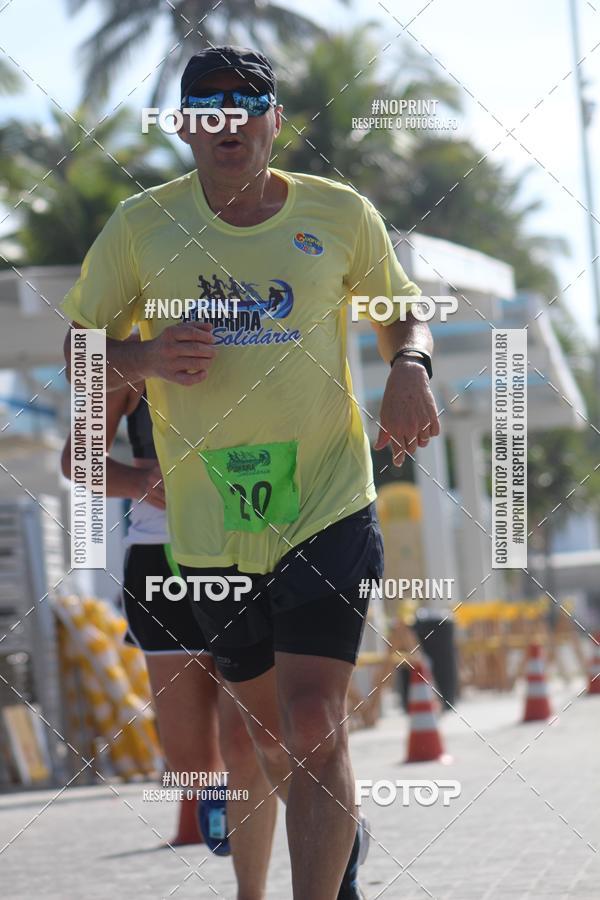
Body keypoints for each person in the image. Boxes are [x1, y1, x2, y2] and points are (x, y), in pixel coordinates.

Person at [62, 45, 439, 899]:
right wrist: (144, 354)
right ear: (188, 126)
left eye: (248, 103)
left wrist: (409, 365)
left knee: (314, 724)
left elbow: (396, 312)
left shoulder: (339, 215)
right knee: (261, 740)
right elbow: (79, 353)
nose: (229, 120)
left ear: (275, 120)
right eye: (209, 106)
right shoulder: (140, 227)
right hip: (207, 529)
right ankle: (333, 844)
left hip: (326, 501)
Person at [61, 381, 277, 893]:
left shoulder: (255, 335)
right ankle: (248, 803)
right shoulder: (129, 354)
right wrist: (139, 479)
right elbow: (78, 460)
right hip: (161, 559)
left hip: (244, 547)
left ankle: (325, 839)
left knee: (247, 741)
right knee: (190, 762)